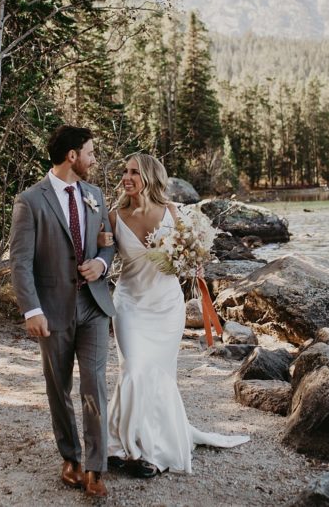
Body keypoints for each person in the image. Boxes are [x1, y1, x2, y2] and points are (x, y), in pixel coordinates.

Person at [104, 153, 249, 476]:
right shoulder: (114, 216)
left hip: (167, 307)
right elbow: (101, 257)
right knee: (134, 369)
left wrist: (193, 263)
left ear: (151, 178)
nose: (126, 178)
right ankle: (117, 446)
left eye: (134, 173)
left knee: (157, 375)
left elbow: (195, 257)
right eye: (125, 172)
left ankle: (153, 453)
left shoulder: (174, 213)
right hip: (129, 304)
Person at [9, 126, 117, 499]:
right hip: (52, 311)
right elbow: (20, 262)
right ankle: (70, 456)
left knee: (95, 385)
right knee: (59, 388)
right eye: (90, 152)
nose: (93, 159)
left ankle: (95, 468)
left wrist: (102, 266)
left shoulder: (95, 195)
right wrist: (31, 310)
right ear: (72, 156)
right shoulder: (30, 201)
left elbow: (107, 244)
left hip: (95, 307)